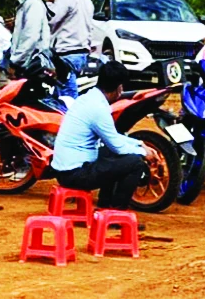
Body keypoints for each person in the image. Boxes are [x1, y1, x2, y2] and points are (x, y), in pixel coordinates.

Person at [51, 61, 151, 209]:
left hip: (65, 170)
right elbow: (118, 147)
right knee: (135, 163)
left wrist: (139, 144)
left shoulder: (88, 98)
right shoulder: (98, 109)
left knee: (109, 152)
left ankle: (105, 206)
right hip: (75, 174)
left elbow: (113, 138)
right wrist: (143, 152)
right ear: (118, 88)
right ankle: (116, 214)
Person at [46, 0, 94, 99]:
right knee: (60, 93)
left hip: (66, 53)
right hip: (81, 53)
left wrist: (49, 0)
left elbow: (50, 19)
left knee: (66, 98)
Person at [7, 0, 51, 74]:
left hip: (32, 66)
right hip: (27, 64)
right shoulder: (24, 3)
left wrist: (14, 62)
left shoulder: (33, 4)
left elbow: (30, 38)